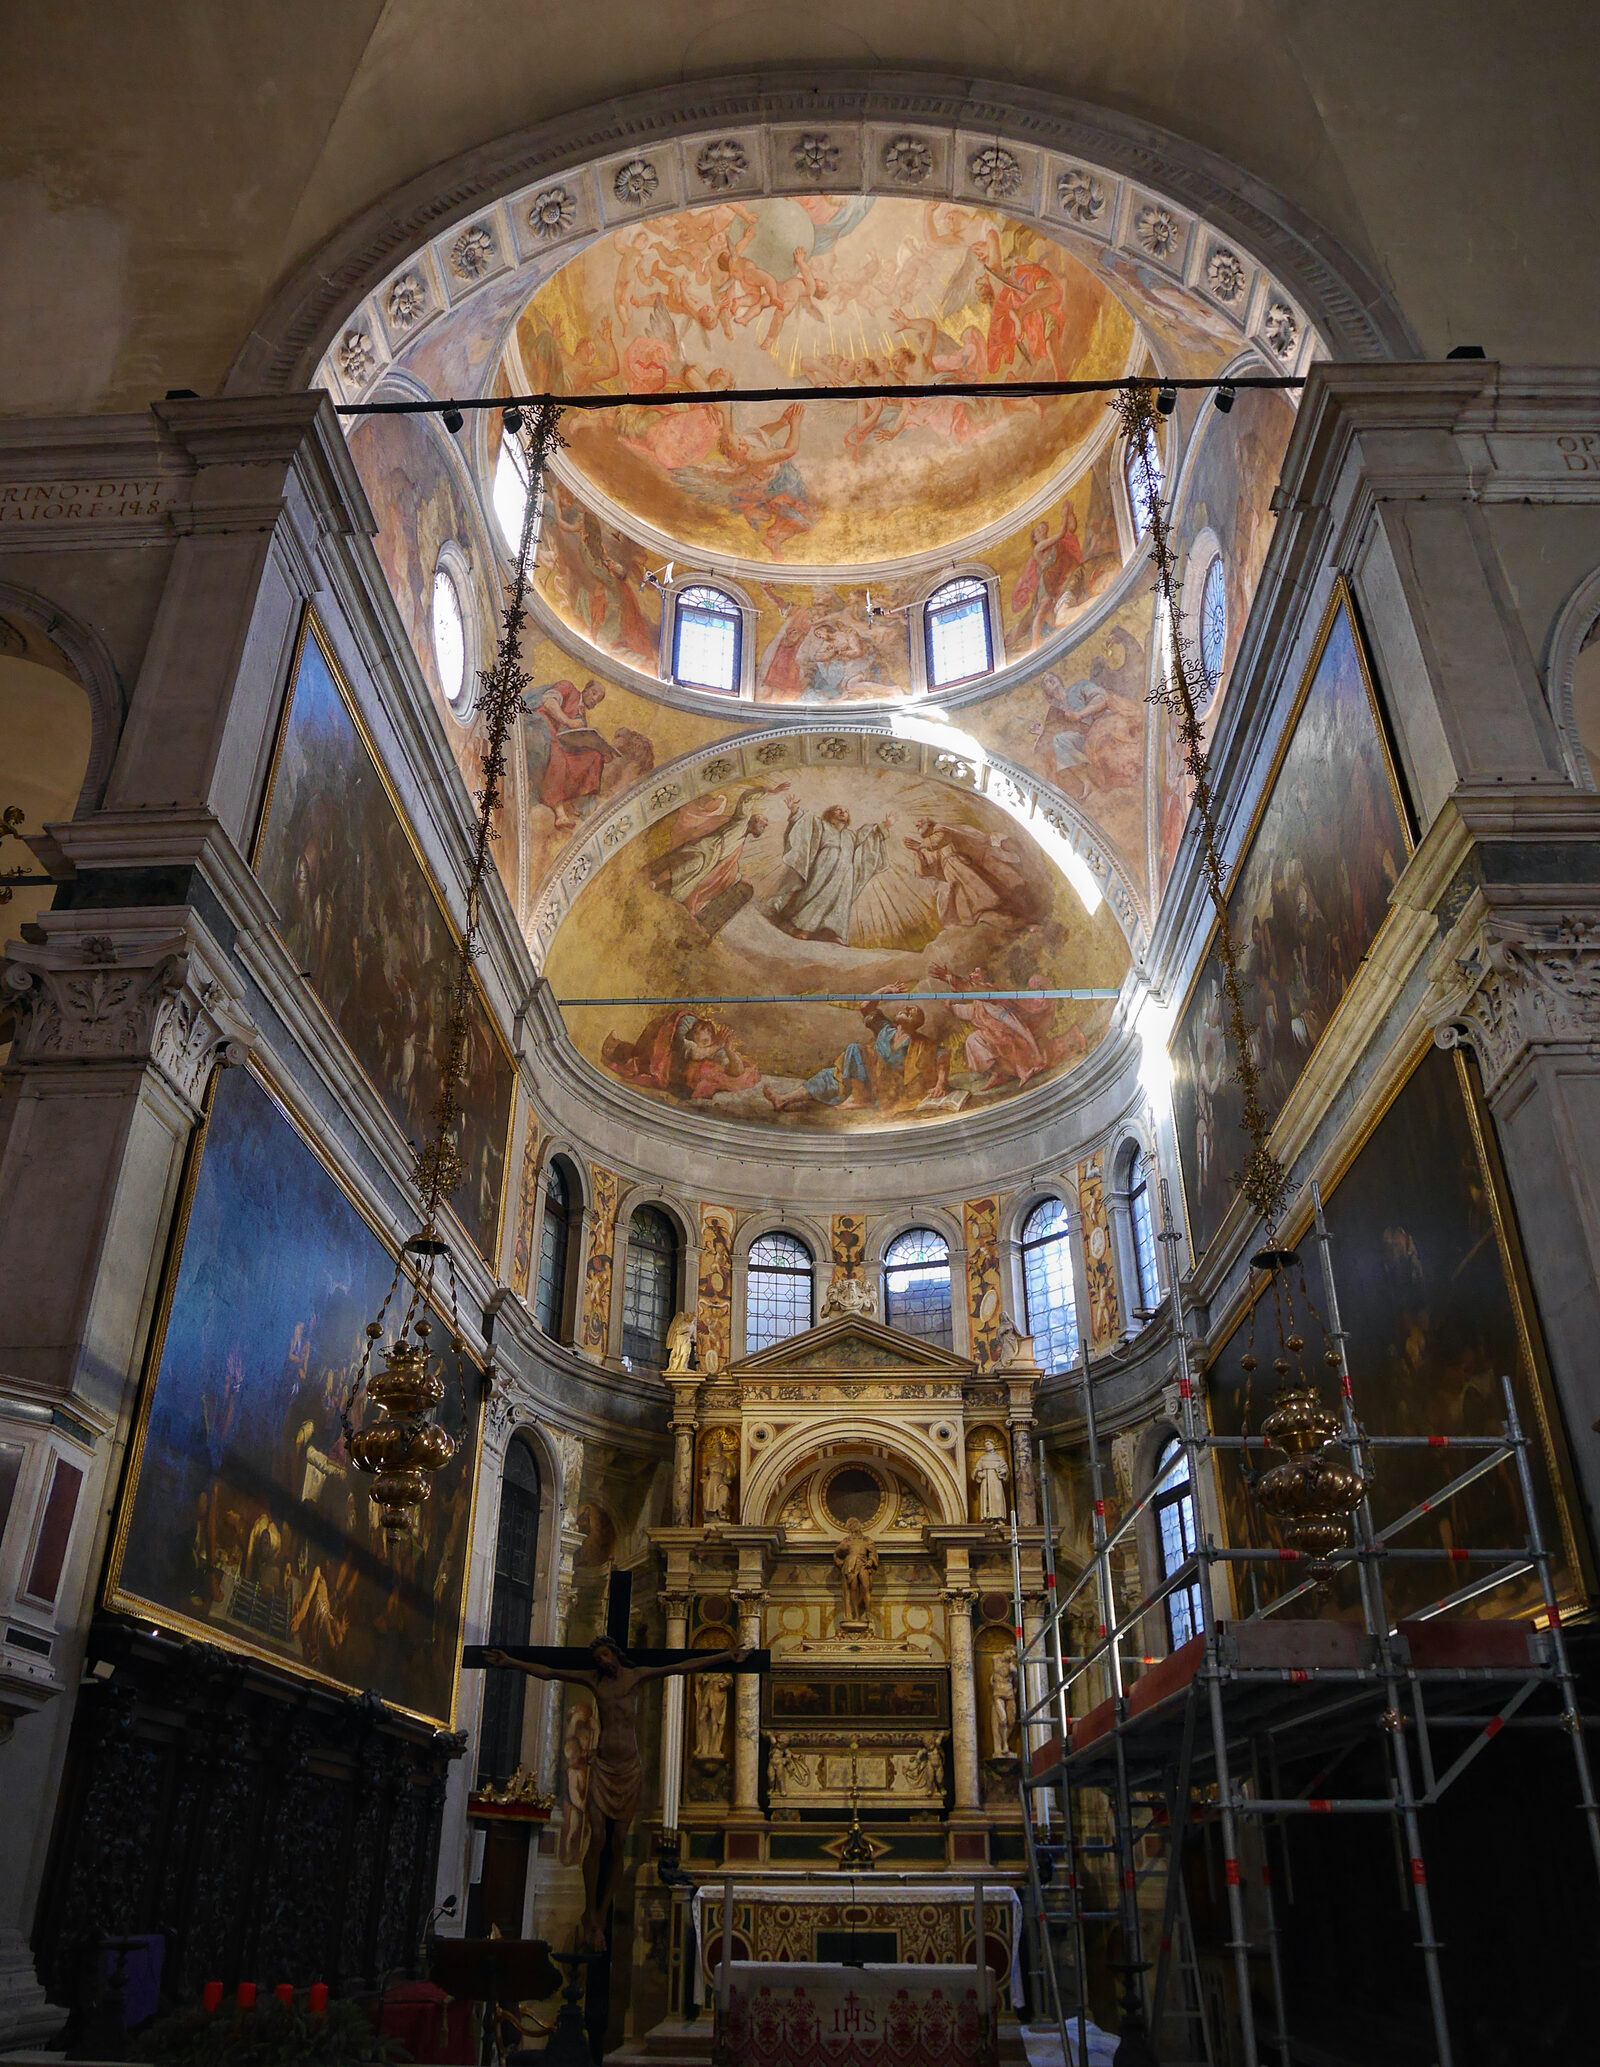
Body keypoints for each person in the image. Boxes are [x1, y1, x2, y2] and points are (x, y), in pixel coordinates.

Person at [483, 1636, 749, 1949]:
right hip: (603, 1768)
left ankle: (602, 1909)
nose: (603, 1662)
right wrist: (511, 1662)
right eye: (598, 1658)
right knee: (597, 1838)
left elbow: (681, 1665)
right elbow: (550, 1671)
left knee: (618, 1841)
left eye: (606, 1655)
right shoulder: (593, 1681)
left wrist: (724, 1657)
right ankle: (591, 1912)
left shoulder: (636, 1676)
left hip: (629, 1769)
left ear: (615, 1654)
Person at [767, 797, 894, 943]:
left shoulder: (851, 836)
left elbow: (867, 837)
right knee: (815, 895)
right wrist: (794, 810)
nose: (843, 812)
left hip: (845, 876)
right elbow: (806, 824)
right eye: (838, 810)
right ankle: (801, 927)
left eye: (845, 811)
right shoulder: (822, 825)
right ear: (830, 814)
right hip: (823, 870)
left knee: (839, 902)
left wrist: (885, 825)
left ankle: (830, 932)